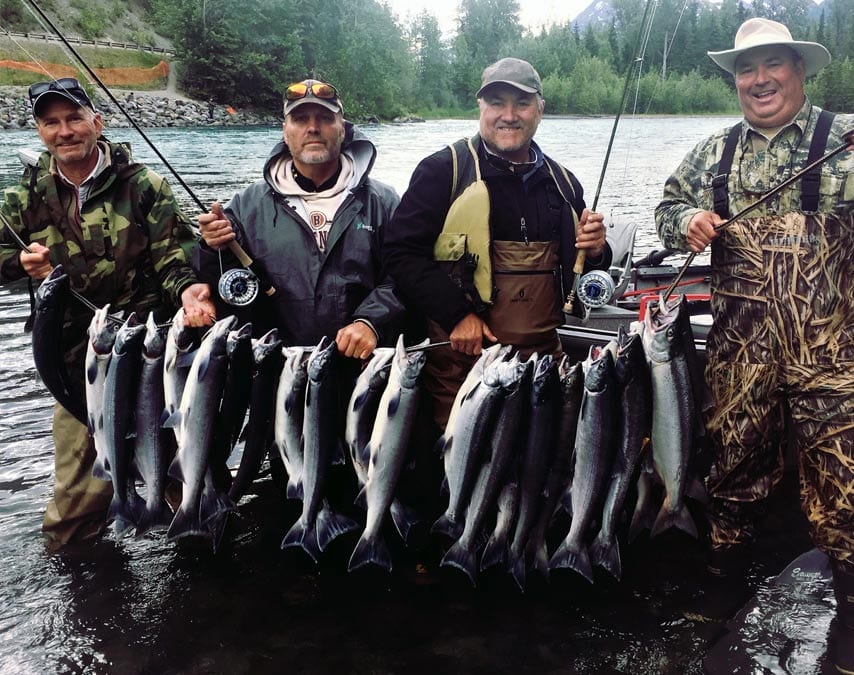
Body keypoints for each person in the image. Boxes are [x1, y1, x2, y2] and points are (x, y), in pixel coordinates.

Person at [655, 17, 854, 641]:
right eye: (745, 69)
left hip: (837, 357)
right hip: (741, 357)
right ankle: (723, 589)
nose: (759, 80)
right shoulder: (713, 153)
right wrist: (686, 222)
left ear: (799, 69)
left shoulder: (852, 138)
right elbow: (666, 207)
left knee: (848, 491)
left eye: (772, 65)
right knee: (732, 479)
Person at [0, 77, 216, 550]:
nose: (65, 131)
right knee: (78, 500)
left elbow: (172, 262)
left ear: (97, 122)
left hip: (153, 357)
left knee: (188, 477)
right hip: (78, 364)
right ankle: (82, 588)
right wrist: (17, 263)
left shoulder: (145, 187)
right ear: (38, 131)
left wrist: (189, 295)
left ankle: (204, 568)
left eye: (74, 118)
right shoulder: (23, 197)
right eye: (51, 123)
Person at [382, 57, 611, 428]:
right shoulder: (443, 171)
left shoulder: (565, 184)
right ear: (481, 108)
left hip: (543, 367)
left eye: (521, 103)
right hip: (462, 371)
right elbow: (399, 253)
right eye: (497, 103)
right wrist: (456, 314)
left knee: (541, 478)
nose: (509, 115)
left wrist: (599, 250)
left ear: (540, 110)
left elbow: (586, 270)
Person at [194, 78, 405, 357]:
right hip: (274, 369)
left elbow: (404, 276)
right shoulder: (246, 206)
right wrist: (211, 247)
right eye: (300, 119)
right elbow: (221, 282)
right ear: (285, 131)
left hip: (361, 367)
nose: (313, 128)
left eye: (325, 118)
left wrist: (371, 322)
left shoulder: (385, 202)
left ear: (342, 129)